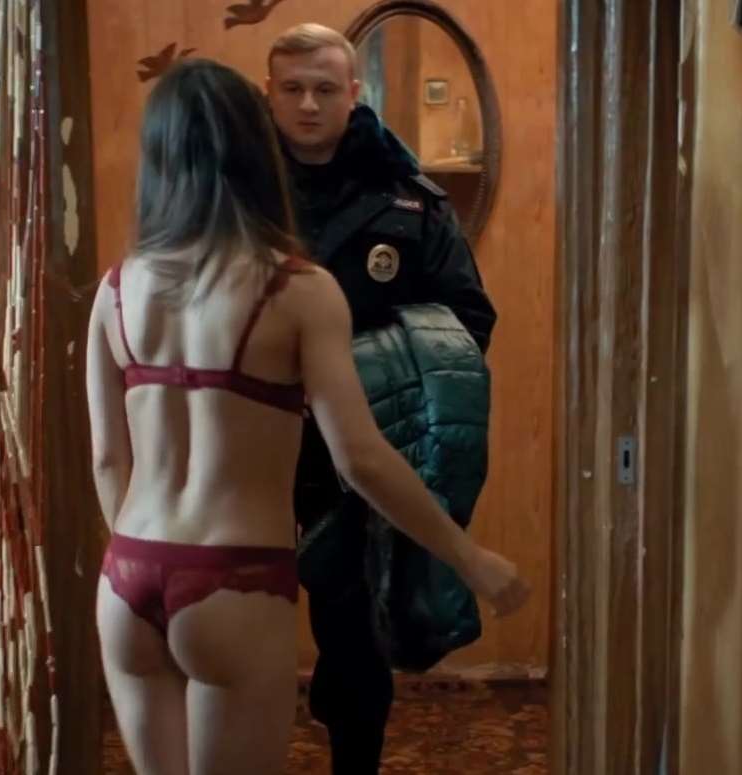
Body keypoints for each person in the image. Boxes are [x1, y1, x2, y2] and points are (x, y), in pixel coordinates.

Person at [86, 58, 528, 775]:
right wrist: (468, 558)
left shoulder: (115, 290)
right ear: (256, 148)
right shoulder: (297, 290)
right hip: (232, 578)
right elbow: (362, 458)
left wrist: (145, 562)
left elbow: (110, 459)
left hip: (129, 574)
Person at [265, 23, 499, 774]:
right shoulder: (235, 194)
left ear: (353, 92)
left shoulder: (408, 199)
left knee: (354, 636)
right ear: (270, 93)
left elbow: (468, 321)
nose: (308, 104)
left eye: (324, 89)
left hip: (364, 450)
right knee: (241, 631)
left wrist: (370, 375)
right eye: (293, 89)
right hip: (250, 445)